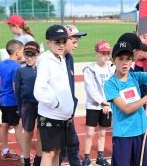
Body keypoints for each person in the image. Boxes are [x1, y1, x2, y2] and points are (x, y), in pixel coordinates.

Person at [103, 41, 147, 166]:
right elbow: (126, 109)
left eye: (128, 59)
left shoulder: (135, 76)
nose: (124, 62)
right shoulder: (111, 84)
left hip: (141, 131)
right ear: (113, 60)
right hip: (124, 134)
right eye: (120, 59)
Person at [34, 25, 74, 166]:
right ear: (48, 42)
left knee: (57, 151)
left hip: (61, 115)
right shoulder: (45, 61)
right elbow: (39, 91)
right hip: (51, 114)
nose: (61, 45)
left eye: (64, 41)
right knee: (49, 152)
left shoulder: (60, 59)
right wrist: (56, 103)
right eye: (57, 42)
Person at [81, 40, 113, 166]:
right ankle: (86, 158)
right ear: (96, 53)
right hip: (93, 105)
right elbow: (90, 88)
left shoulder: (111, 68)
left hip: (107, 106)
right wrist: (102, 102)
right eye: (103, 53)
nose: (105, 56)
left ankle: (100, 157)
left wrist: (108, 103)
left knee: (102, 132)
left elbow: (113, 87)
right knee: (89, 132)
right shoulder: (90, 69)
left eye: (107, 53)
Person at [59, 25, 87, 166]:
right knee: (57, 149)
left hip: (69, 110)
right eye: (74, 42)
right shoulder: (52, 60)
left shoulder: (69, 58)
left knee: (73, 144)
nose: (76, 46)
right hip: (57, 112)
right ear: (64, 40)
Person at [14, 41, 42, 166]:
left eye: (33, 55)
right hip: (27, 105)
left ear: (38, 54)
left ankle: (38, 159)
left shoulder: (43, 69)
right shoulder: (20, 71)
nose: (29, 58)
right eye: (27, 55)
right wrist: (20, 110)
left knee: (41, 133)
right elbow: (18, 92)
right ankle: (26, 160)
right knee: (28, 133)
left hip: (42, 105)